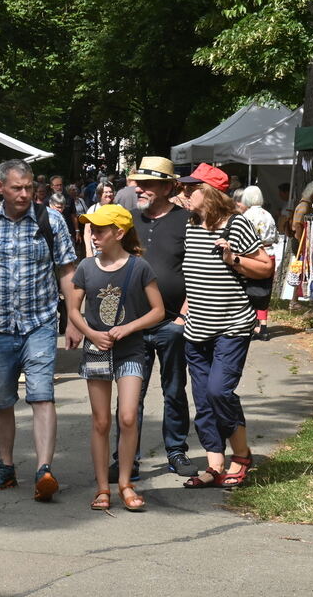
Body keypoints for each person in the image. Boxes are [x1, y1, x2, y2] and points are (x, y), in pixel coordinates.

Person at [0, 159, 78, 501]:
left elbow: (67, 272)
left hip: (40, 323)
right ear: (0, 188)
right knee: (1, 399)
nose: (25, 194)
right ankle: (6, 466)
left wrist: (73, 319)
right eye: (17, 188)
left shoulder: (50, 220)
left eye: (28, 188)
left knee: (42, 395)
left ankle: (44, 470)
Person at [176, 163, 273, 489]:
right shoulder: (191, 226)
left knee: (219, 391)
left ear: (212, 194)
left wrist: (233, 258)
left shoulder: (237, 225)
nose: (186, 193)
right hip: (196, 328)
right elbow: (195, 274)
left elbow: (265, 267)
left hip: (231, 325)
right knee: (203, 400)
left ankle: (242, 456)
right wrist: (184, 311)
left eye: (193, 188)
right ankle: (214, 464)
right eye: (185, 188)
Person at [66, 204, 165, 512]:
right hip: (97, 352)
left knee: (128, 417)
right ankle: (101, 488)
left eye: (99, 230)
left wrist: (129, 327)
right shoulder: (86, 267)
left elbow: (158, 311)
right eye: (91, 230)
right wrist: (90, 333)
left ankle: (125, 483)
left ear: (119, 233)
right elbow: (72, 309)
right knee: (100, 421)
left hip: (131, 350)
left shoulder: (139, 267)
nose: (93, 235)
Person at [112, 156, 198, 481]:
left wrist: (183, 318)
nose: (139, 188)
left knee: (174, 390)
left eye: (147, 183)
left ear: (166, 186)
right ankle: (126, 460)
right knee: (129, 394)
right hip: (134, 325)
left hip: (172, 324)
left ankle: (176, 452)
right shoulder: (129, 220)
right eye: (138, 182)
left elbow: (196, 270)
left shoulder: (186, 221)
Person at [240, 186, 278, 340]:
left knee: (249, 290)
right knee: (265, 290)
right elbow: (275, 237)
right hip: (270, 254)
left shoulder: (246, 215)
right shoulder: (268, 215)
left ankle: (252, 325)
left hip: (253, 255)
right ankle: (263, 325)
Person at [83, 181, 116, 258]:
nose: (109, 194)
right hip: (97, 252)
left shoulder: (118, 208)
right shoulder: (93, 209)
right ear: (99, 194)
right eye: (106, 192)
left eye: (110, 192)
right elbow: (87, 232)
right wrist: (88, 252)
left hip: (115, 251)